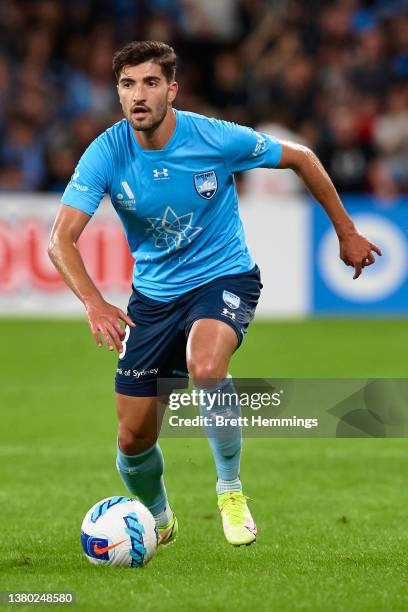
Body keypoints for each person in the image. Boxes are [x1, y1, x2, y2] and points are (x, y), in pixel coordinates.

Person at [48, 41, 381, 548]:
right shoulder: (107, 152)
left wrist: (346, 231)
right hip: (154, 299)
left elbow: (303, 158)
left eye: (150, 82)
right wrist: (94, 302)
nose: (138, 95)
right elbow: (60, 239)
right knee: (132, 439)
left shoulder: (214, 137)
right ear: (117, 92)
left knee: (206, 366)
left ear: (172, 90)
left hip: (223, 277)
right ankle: (159, 519)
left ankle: (230, 488)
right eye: (127, 84)